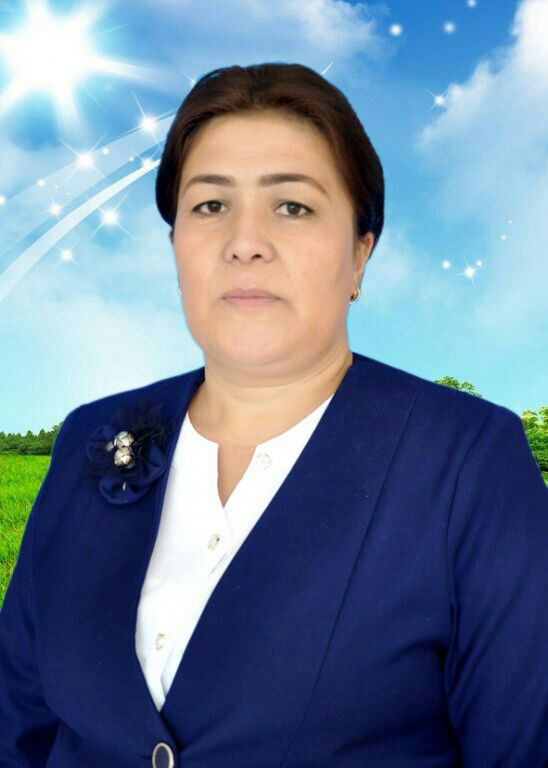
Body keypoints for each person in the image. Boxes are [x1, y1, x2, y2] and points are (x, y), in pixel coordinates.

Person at [0, 62, 546, 768]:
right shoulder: (94, 438)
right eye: (210, 206)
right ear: (175, 245)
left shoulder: (468, 460)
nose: (245, 241)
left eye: (292, 207)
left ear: (360, 253)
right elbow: (18, 724)